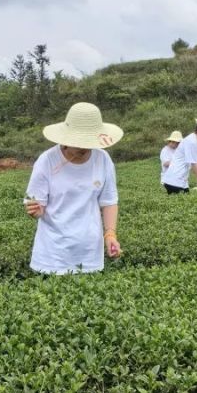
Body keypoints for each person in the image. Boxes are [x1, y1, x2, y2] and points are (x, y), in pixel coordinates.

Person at [24, 102, 122, 274]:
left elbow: (109, 201)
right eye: (79, 142)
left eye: (88, 142)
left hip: (90, 253)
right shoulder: (47, 161)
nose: (84, 148)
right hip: (53, 255)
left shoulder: (103, 159)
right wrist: (36, 211)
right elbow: (36, 205)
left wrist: (110, 234)